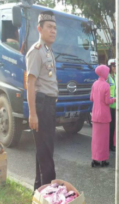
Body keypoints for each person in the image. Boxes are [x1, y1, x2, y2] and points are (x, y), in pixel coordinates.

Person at [26, 10, 57, 190]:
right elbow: (30, 83)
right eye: (49, 27)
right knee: (46, 155)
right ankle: (49, 192)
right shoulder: (36, 52)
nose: (53, 31)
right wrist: (32, 114)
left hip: (49, 105)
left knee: (44, 152)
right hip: (42, 106)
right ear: (39, 28)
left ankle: (39, 192)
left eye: (54, 27)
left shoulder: (48, 50)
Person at [90, 65, 116, 167]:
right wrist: (114, 99)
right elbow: (107, 101)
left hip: (95, 115)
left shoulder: (94, 84)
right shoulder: (106, 85)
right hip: (104, 116)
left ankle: (95, 160)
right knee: (104, 140)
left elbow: (91, 98)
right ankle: (103, 160)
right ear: (104, 73)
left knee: (96, 139)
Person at [108, 58, 116, 152]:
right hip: (109, 105)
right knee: (110, 126)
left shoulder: (116, 76)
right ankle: (109, 144)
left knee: (114, 126)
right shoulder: (107, 77)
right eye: (113, 66)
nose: (115, 68)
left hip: (115, 104)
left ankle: (112, 144)